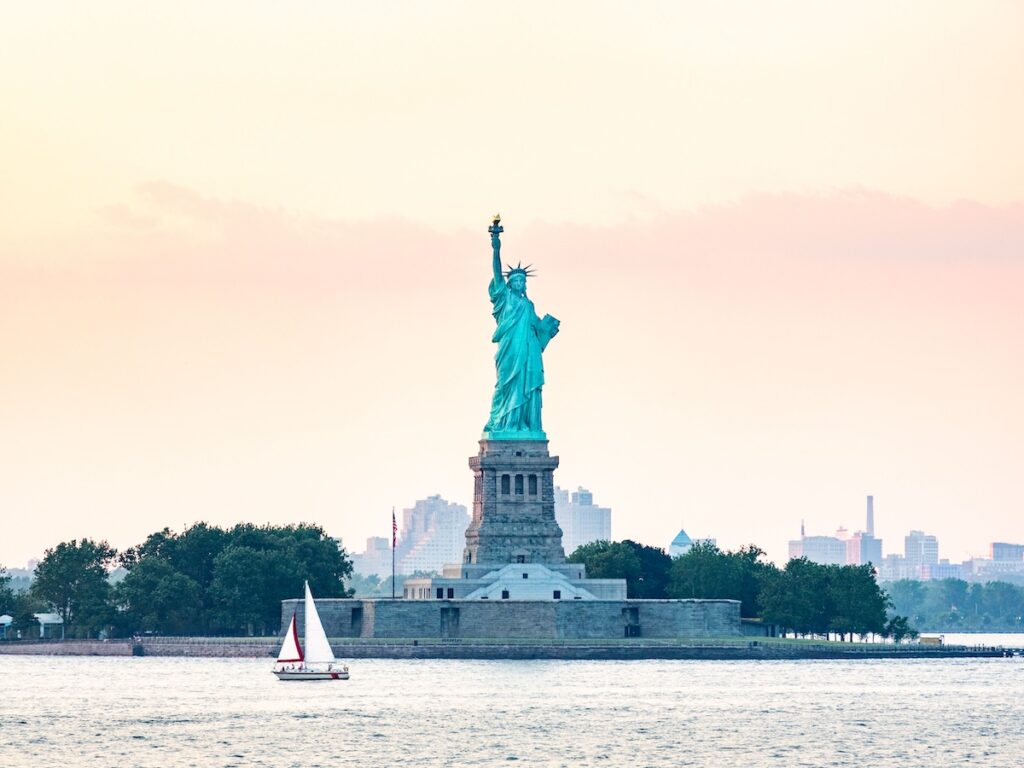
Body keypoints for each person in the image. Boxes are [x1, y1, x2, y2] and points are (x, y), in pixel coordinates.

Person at [483, 216, 559, 436]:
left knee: (524, 385)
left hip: (526, 353)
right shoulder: (504, 298)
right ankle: (504, 423)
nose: (520, 283)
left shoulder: (528, 305)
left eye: (522, 281)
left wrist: (549, 328)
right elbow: (497, 272)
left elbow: (537, 329)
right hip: (509, 350)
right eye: (516, 281)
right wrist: (496, 246)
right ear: (509, 283)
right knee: (505, 385)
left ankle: (521, 424)